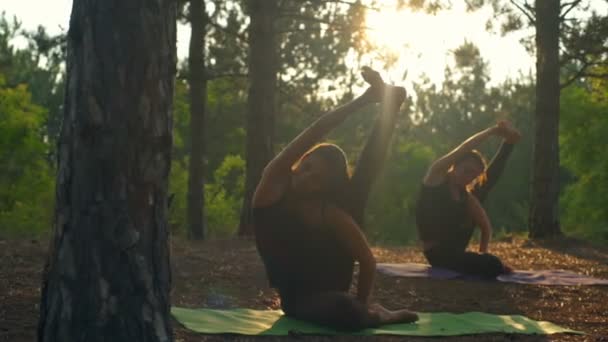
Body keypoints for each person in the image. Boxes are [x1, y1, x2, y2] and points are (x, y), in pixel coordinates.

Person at [252, 67, 418, 331]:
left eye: (316, 178)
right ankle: (374, 314)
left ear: (324, 188)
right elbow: (314, 132)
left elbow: (367, 261)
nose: (306, 178)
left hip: (333, 292)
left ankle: (391, 108)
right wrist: (363, 100)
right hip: (299, 300)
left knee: (361, 182)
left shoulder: (328, 210)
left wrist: (362, 306)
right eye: (306, 168)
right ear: (299, 162)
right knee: (345, 309)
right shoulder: (272, 185)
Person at [416, 121, 521, 278]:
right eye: (466, 171)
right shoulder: (435, 177)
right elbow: (464, 149)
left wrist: (482, 255)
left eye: (473, 175)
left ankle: (509, 144)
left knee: (482, 188)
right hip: (438, 254)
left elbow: (486, 227)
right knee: (493, 264)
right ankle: (508, 143)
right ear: (455, 165)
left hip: (456, 255)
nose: (469, 177)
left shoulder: (467, 196)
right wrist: (491, 131)